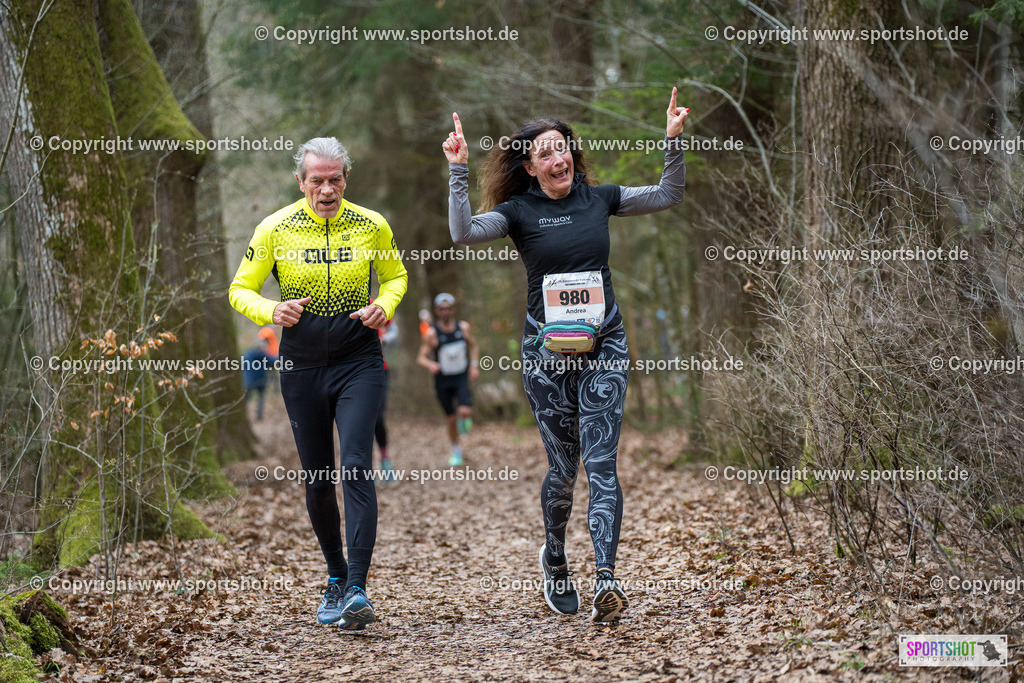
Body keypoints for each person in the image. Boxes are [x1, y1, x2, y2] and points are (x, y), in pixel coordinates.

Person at [443, 89, 688, 623]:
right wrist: (458, 170)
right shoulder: (517, 211)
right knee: (564, 468)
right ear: (530, 167)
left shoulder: (601, 199)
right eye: (546, 153)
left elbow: (669, 194)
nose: (559, 159)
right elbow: (462, 234)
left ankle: (606, 577)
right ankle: (555, 557)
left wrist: (672, 140)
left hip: (605, 345)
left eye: (564, 148)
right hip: (546, 352)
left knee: (602, 463)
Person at [229, 137, 408, 631]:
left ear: (345, 179)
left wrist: (384, 306)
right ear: (300, 182)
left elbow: (396, 278)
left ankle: (357, 588)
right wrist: (271, 310)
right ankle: (334, 574)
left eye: (335, 180)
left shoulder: (371, 225)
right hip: (301, 366)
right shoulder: (275, 228)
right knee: (319, 476)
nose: (326, 190)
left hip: (358, 360)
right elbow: (239, 288)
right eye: (317, 181)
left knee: (354, 465)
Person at [416, 293, 479, 466]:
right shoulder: (432, 334)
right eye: (442, 309)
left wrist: (474, 366)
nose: (445, 312)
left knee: (465, 411)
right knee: (451, 419)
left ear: (453, 310)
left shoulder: (463, 328)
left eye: (448, 308)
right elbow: (421, 357)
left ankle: (464, 420)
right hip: (442, 380)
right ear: (437, 311)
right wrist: (430, 365)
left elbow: (474, 346)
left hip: (461, 376)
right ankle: (456, 449)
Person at [374, 301, 397, 479]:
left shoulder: (374, 303)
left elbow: (393, 329)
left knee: (378, 417)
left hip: (379, 369)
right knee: (361, 420)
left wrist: (385, 340)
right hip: (350, 372)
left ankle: (385, 460)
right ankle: (367, 467)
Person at [242, 336, 273, 420]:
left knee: (246, 399)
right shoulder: (261, 355)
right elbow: (272, 361)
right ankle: (259, 416)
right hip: (260, 381)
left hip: (247, 381)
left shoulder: (247, 354)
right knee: (261, 398)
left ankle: (244, 415)